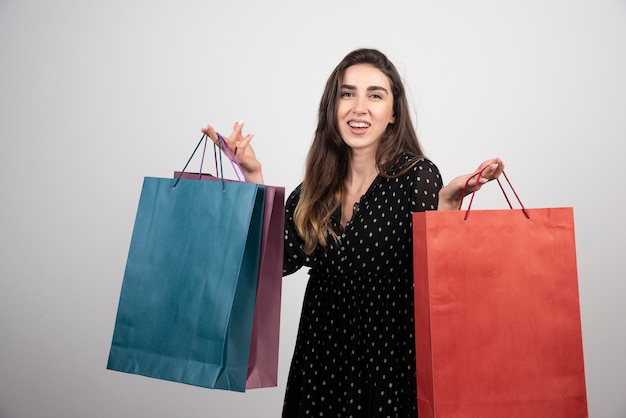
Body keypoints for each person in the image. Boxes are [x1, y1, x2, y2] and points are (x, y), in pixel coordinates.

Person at [202, 48, 503, 417]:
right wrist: (253, 176)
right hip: (320, 361)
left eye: (375, 95)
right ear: (333, 107)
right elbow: (273, 262)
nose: (358, 107)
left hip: (387, 365)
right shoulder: (316, 186)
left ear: (393, 113)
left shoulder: (418, 177)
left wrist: (447, 206)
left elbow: (438, 276)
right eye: (347, 94)